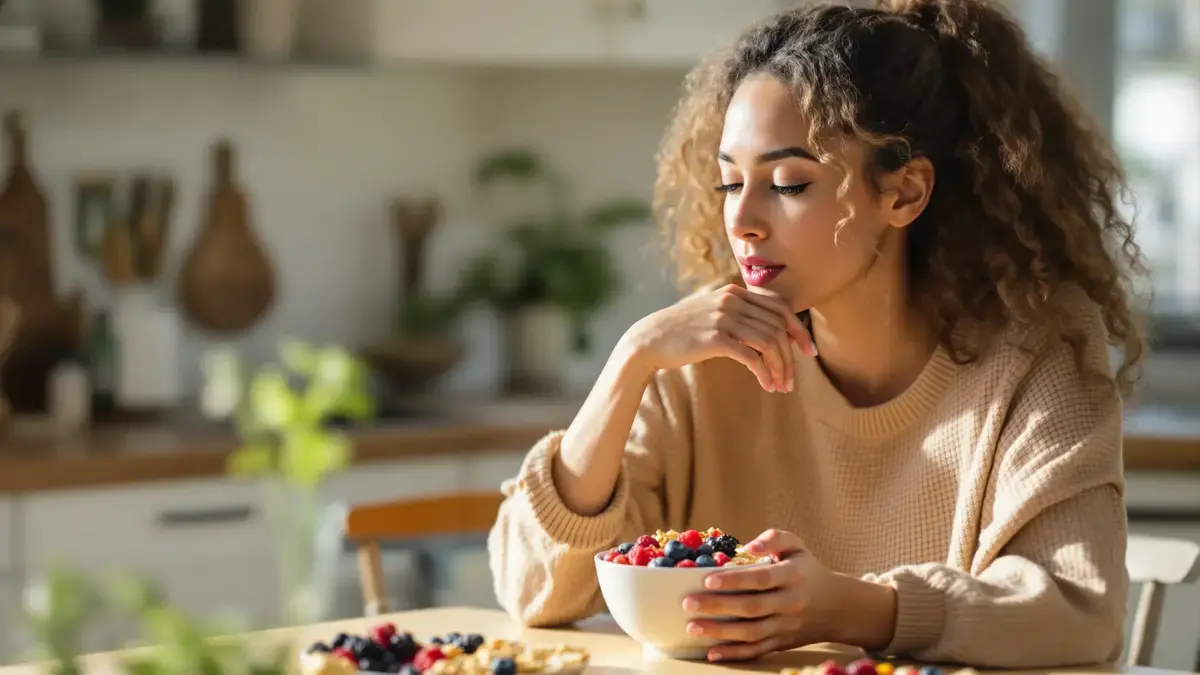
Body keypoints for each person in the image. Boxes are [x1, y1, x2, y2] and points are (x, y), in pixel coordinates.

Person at [487, 0, 1148, 668]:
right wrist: (630, 362)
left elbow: (1077, 610)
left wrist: (849, 607)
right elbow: (531, 588)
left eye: (788, 183)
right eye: (729, 183)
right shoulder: (705, 358)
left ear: (904, 193)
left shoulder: (1035, 351)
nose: (741, 220)